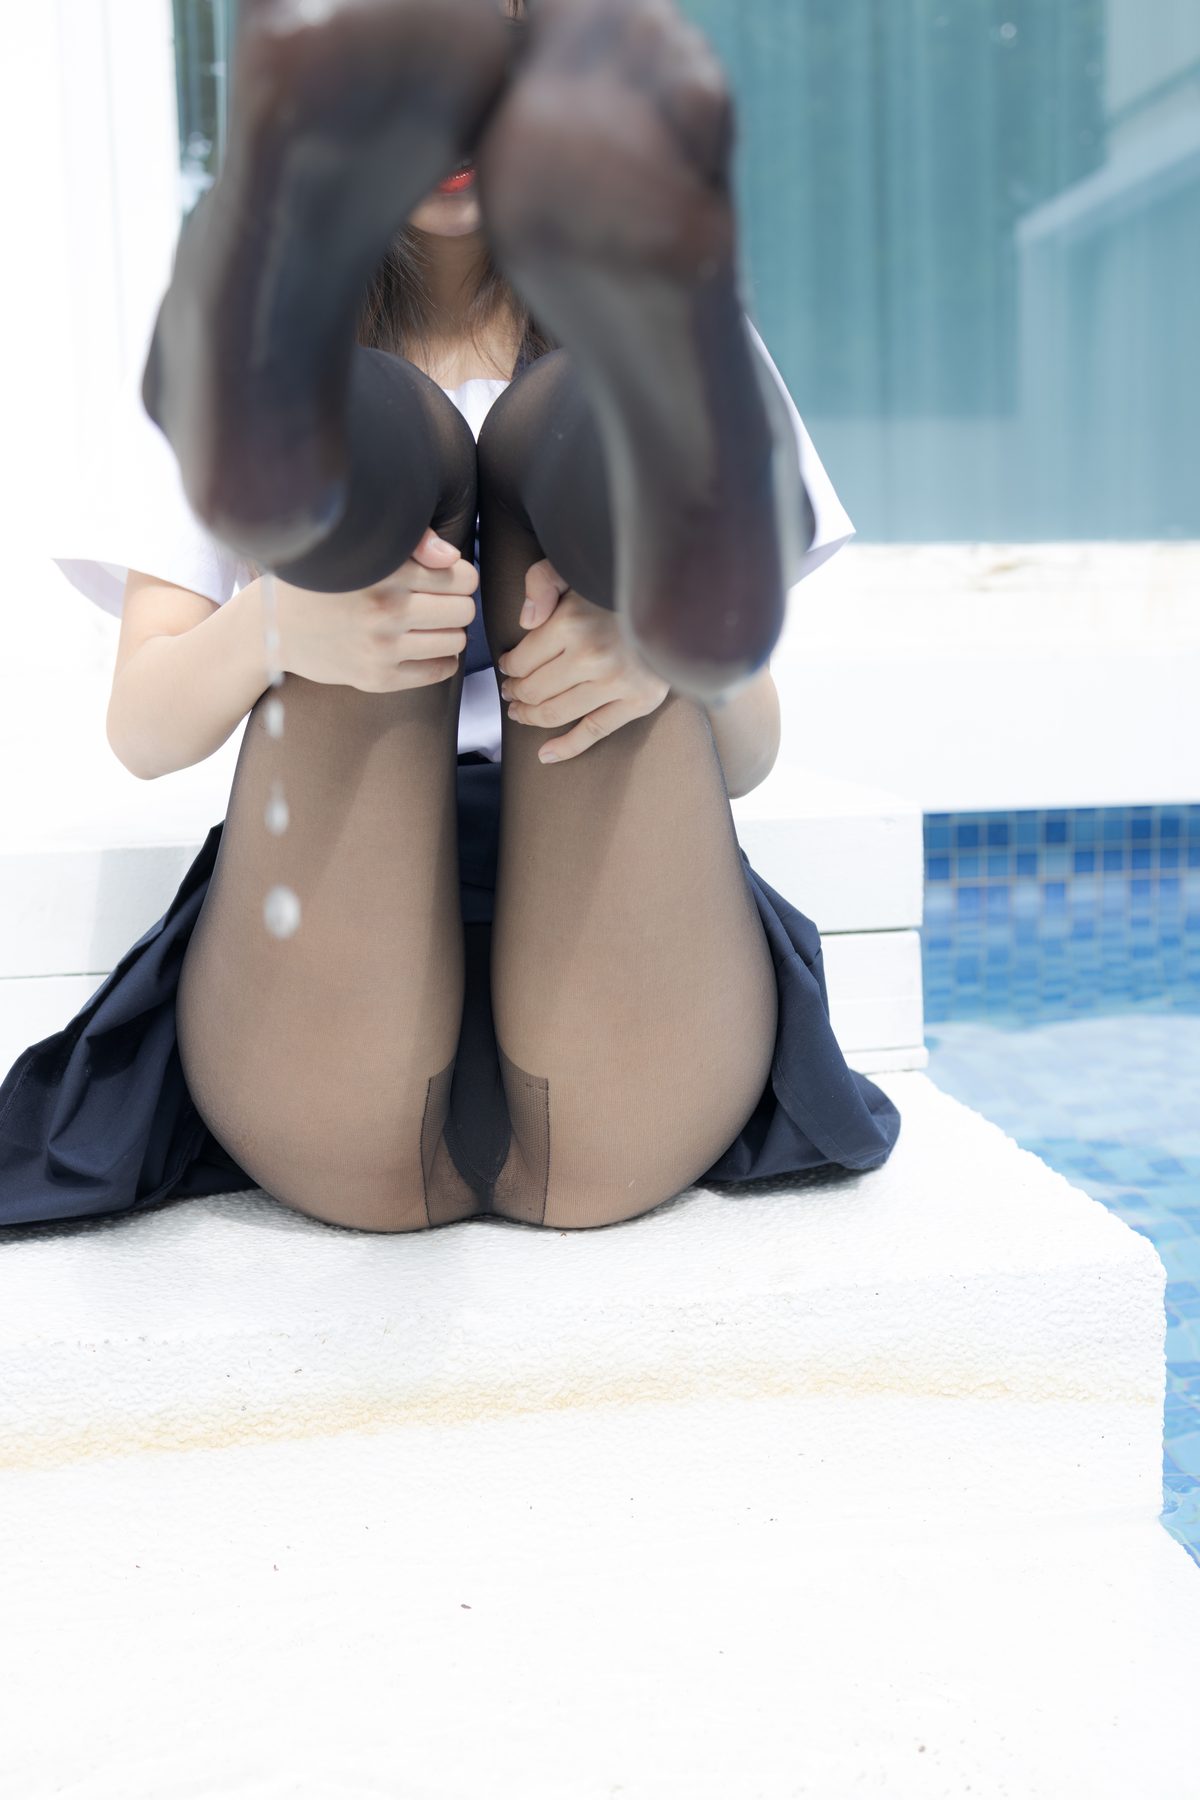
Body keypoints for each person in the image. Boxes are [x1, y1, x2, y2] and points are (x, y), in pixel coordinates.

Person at [0, 0, 900, 1233]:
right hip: (332, 948)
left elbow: (750, 751)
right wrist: (282, 629)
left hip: (626, 940)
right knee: (373, 433)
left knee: (581, 424)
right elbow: (144, 729)